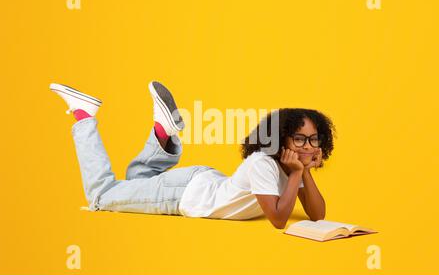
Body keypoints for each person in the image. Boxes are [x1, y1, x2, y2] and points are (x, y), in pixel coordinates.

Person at [50, 81, 335, 229]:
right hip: (184, 195)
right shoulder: (265, 163)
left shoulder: (290, 165)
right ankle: (83, 114)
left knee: (136, 182)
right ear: (282, 136)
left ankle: (163, 131)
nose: (309, 146)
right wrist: (299, 172)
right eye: (300, 138)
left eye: (313, 139)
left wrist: (304, 171)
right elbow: (278, 219)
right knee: (102, 195)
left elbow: (317, 214)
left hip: (197, 182)